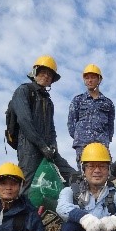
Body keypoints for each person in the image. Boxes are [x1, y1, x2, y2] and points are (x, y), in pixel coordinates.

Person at [13, 55, 75, 194]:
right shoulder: (23, 91)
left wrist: (53, 146)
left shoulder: (49, 102)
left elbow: (52, 129)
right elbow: (24, 121)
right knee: (27, 186)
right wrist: (41, 146)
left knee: (73, 176)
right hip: (28, 147)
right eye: (43, 72)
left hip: (48, 149)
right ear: (35, 72)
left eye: (50, 74)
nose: (46, 76)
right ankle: (23, 215)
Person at [67, 64, 115, 169]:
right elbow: (71, 124)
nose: (90, 80)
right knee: (84, 174)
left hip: (101, 143)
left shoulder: (108, 103)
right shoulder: (77, 100)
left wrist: (106, 138)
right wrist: (79, 136)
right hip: (82, 144)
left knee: (102, 173)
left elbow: (110, 125)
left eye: (93, 77)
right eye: (87, 78)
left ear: (99, 79)